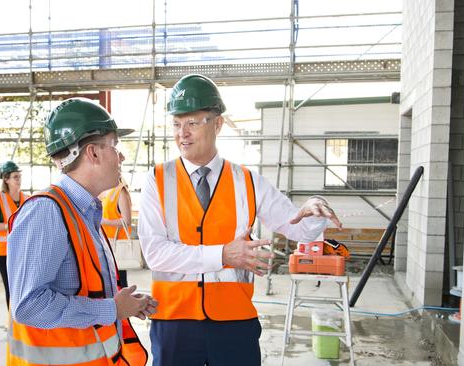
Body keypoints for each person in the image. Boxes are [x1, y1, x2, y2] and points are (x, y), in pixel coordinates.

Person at [138, 74, 343, 366]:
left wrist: (314, 209)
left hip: (234, 321)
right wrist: (222, 254)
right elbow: (155, 253)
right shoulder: (157, 180)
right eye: (176, 123)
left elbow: (299, 228)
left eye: (193, 123)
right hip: (174, 321)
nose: (182, 133)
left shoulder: (247, 181)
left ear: (218, 124)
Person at [6, 98, 156, 366]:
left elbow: (85, 290)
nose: (121, 156)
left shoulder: (83, 211)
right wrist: (112, 309)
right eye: (115, 145)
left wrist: (125, 304)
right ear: (93, 153)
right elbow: (29, 306)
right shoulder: (47, 212)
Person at [0, 160, 27, 308]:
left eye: (19, 176)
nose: (19, 179)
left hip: (20, 250)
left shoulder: (26, 198)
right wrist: (11, 225)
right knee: (10, 287)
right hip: (2, 251)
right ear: (6, 179)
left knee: (21, 287)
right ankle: (12, 323)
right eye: (15, 176)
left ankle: (19, 322)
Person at [100, 177, 133, 287]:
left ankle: (125, 303)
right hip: (106, 243)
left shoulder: (121, 192)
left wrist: (103, 221)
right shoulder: (105, 190)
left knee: (120, 281)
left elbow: (127, 221)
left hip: (116, 243)